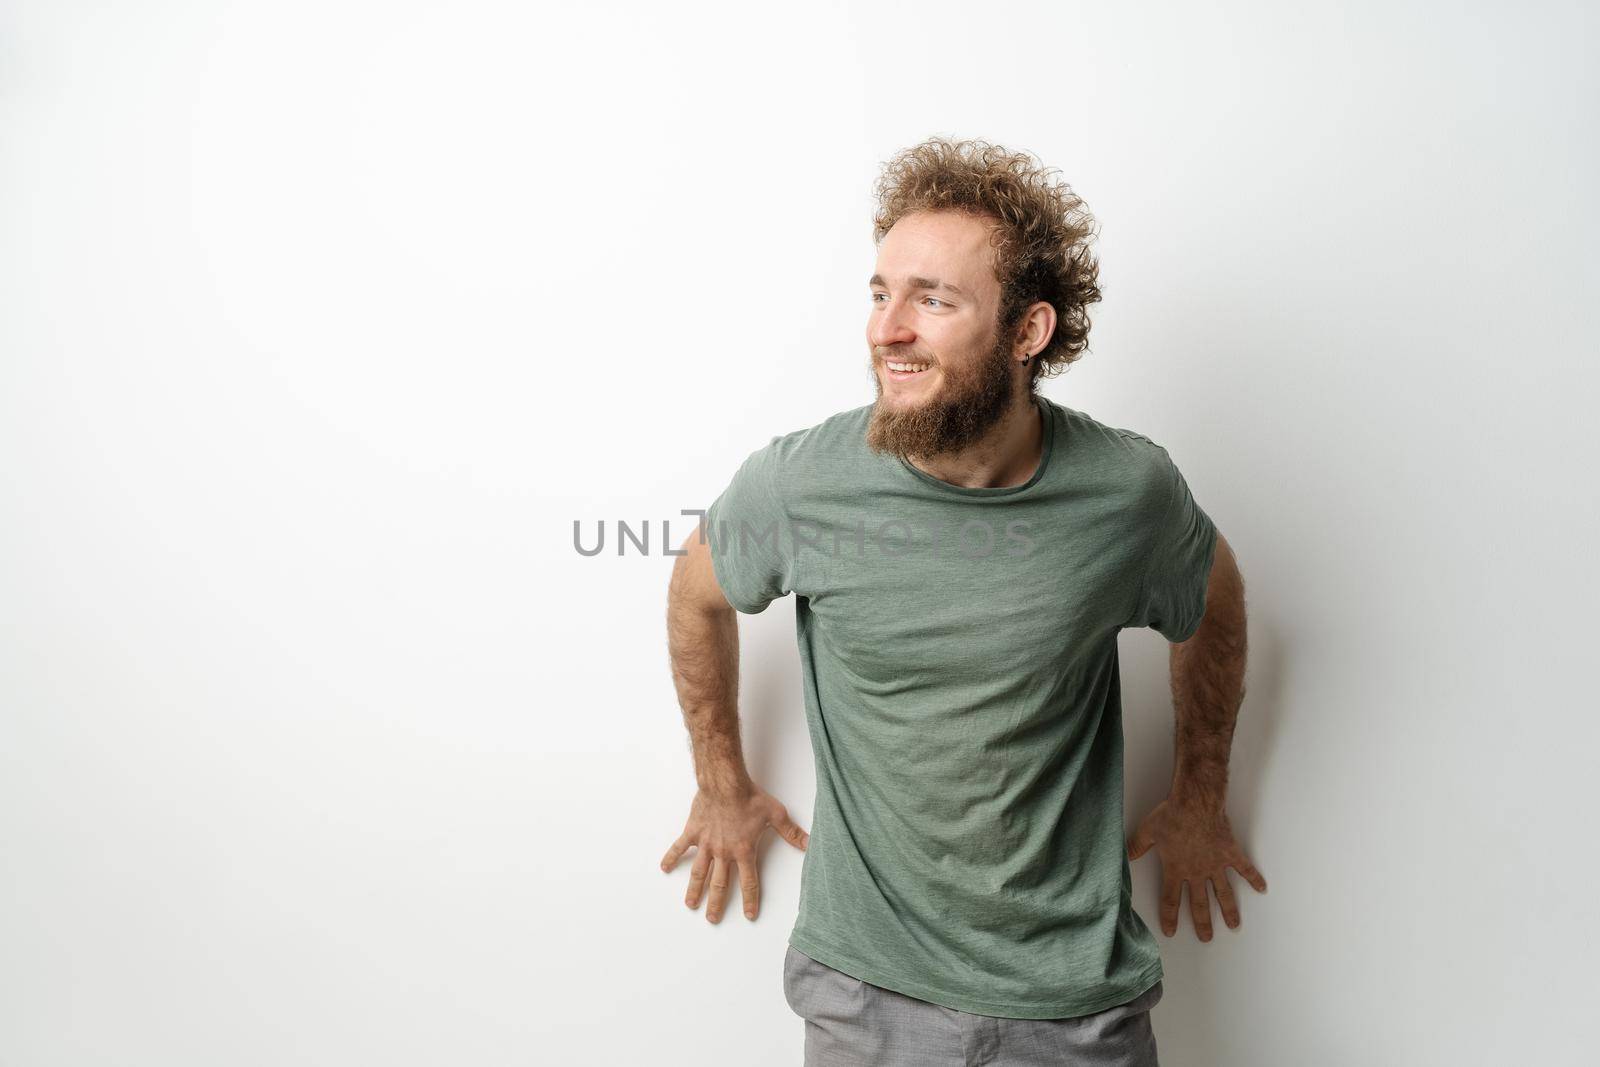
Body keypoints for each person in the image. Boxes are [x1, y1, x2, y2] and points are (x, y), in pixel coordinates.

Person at [661, 136, 1266, 1066]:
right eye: (878, 293)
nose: (885, 329)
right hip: (867, 996)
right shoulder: (798, 486)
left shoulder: (1127, 493)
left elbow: (1215, 603)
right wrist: (718, 779)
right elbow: (696, 590)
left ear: (1028, 333)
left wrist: (1201, 795)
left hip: (1076, 1007)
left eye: (931, 300)